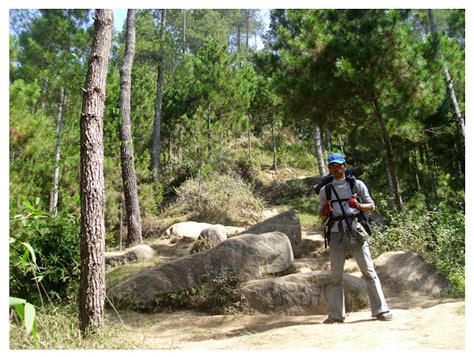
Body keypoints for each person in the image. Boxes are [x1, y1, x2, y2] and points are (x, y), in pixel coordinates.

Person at [319, 152, 392, 323]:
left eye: (339, 165)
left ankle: (381, 310)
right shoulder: (325, 190)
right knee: (336, 276)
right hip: (336, 233)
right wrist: (325, 212)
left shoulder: (357, 185)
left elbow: (371, 207)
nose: (336, 169)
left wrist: (359, 205)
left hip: (356, 230)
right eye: (332, 166)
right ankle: (336, 315)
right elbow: (321, 216)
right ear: (329, 169)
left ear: (345, 166)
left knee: (368, 271)